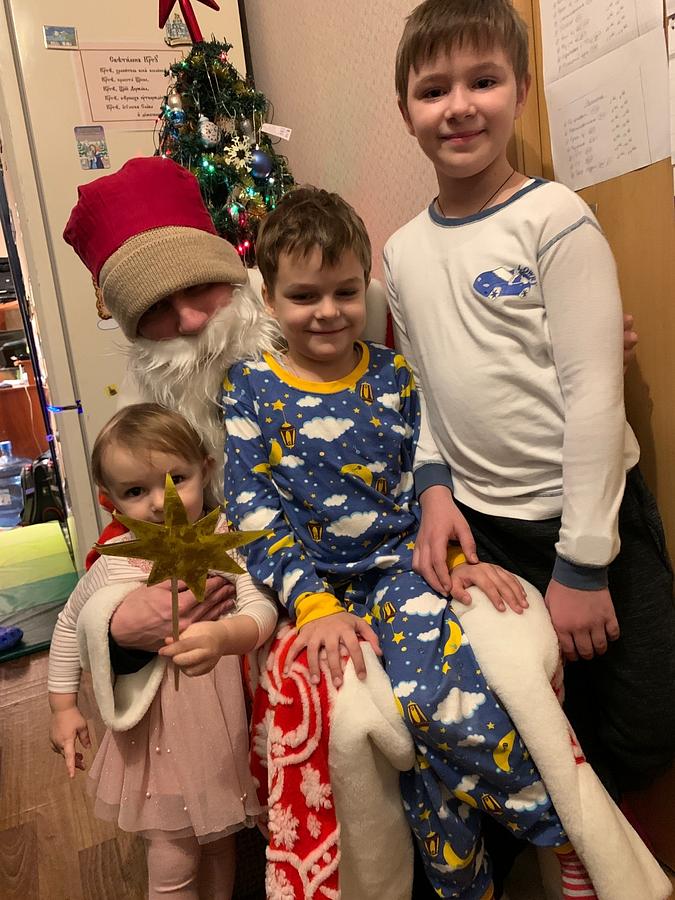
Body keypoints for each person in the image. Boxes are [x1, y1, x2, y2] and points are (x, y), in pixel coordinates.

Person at [221, 185, 610, 899]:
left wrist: (453, 560)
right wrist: (310, 604)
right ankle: (476, 883)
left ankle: (561, 835)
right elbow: (254, 514)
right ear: (269, 299)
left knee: (438, 706)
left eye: (345, 292)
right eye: (304, 296)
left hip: (402, 571)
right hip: (319, 591)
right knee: (417, 761)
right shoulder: (247, 388)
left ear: (365, 288)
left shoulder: (395, 376)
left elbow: (426, 487)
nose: (328, 311)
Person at [384, 0, 675, 805]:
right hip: (488, 531)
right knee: (538, 715)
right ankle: (564, 849)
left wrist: (582, 563)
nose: (458, 106)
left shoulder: (555, 217)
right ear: (404, 110)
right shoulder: (400, 252)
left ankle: (610, 846)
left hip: (589, 521)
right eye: (432, 90)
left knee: (649, 718)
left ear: (519, 88)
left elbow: (594, 395)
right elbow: (425, 387)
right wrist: (433, 490)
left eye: (482, 81)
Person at [48, 403, 278, 900]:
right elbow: (68, 625)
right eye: (136, 491)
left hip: (222, 728)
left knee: (220, 844)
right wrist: (63, 707)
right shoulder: (115, 562)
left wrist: (226, 636)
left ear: (206, 470)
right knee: (173, 856)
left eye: (177, 479)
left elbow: (261, 606)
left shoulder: (227, 541)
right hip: (159, 737)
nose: (161, 503)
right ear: (110, 500)